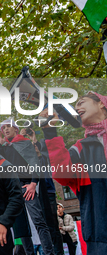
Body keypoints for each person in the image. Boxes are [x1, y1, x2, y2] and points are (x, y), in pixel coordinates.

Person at [40, 92, 107, 254]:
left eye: (82, 102)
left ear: (101, 104)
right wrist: (50, 131)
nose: (77, 107)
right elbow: (63, 175)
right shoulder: (79, 148)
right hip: (100, 235)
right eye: (76, 105)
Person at [0, 119, 55, 255]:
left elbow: (36, 164)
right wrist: (0, 140)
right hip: (13, 190)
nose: (5, 129)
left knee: (38, 220)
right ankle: (29, 253)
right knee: (21, 225)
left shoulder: (25, 143)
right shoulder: (4, 147)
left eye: (8, 127)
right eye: (3, 128)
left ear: (16, 129)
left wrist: (34, 183)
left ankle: (49, 252)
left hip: (27, 186)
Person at [20, 128, 64, 255]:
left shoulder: (44, 160)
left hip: (47, 193)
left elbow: (44, 152)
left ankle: (56, 252)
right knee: (34, 225)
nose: (34, 148)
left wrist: (34, 138)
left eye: (35, 146)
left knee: (51, 226)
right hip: (31, 194)